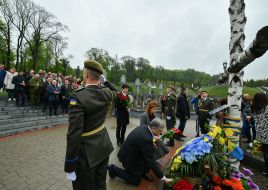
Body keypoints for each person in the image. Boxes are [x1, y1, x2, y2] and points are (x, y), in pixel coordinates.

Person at [64, 60, 117, 190]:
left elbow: (74, 134)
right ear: (100, 77)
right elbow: (116, 91)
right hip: (103, 146)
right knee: (100, 185)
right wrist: (104, 82)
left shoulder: (78, 97)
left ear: (86, 74)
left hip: (86, 156)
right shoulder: (106, 92)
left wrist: (70, 165)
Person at [107, 118, 173, 185]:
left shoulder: (145, 127)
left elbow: (144, 142)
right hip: (128, 159)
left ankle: (143, 173)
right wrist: (164, 178)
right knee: (136, 181)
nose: (161, 133)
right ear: (153, 128)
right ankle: (112, 168)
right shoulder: (146, 138)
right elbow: (151, 161)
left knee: (147, 159)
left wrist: (153, 140)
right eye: (159, 131)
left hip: (131, 153)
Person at [246, 93, 268, 177]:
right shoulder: (266, 108)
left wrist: (250, 118)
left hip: (262, 134)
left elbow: (254, 117)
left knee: (266, 152)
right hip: (264, 133)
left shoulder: (256, 108)